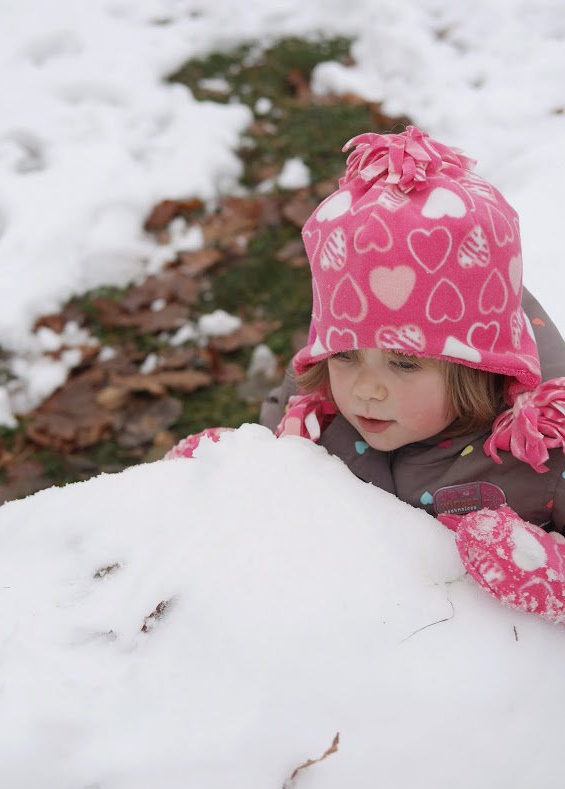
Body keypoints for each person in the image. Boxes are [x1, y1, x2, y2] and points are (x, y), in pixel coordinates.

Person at [170, 126, 565, 625]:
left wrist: (549, 578)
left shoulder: (544, 452)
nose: (365, 389)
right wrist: (234, 466)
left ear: (475, 367)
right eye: (345, 355)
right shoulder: (316, 399)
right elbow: (283, 458)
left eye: (403, 363)